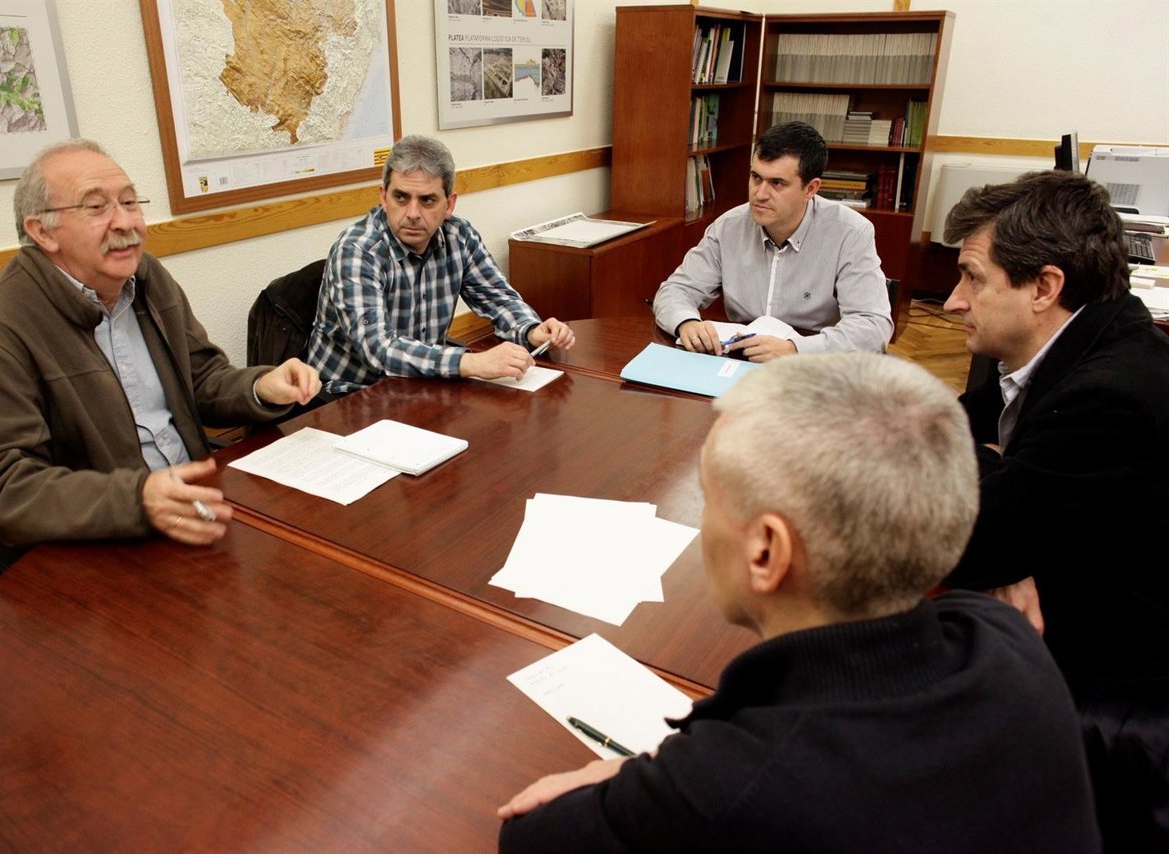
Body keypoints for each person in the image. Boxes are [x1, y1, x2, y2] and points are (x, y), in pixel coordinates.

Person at [497, 353, 1099, 853]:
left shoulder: (731, 785)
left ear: (766, 552)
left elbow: (528, 833)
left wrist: (634, 778)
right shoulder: (1004, 636)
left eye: (708, 498)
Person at [0, 139, 321, 550]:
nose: (125, 223)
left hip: (197, 508)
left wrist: (259, 386)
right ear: (42, 231)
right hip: (99, 542)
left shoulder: (146, 277)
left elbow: (200, 378)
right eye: (96, 207)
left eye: (129, 202)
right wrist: (136, 500)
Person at [940, 170, 1169, 850]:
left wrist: (1004, 531)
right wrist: (1009, 519)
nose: (952, 302)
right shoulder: (1066, 339)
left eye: (973, 278)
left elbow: (971, 538)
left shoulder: (1112, 393)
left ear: (1043, 287)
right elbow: (942, 427)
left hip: (1122, 693)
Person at [304, 135, 575, 397]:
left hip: (420, 386)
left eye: (427, 200)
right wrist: (472, 362)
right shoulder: (357, 251)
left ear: (449, 204)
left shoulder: (459, 235)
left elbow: (499, 298)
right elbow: (378, 349)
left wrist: (530, 329)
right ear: (383, 197)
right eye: (401, 197)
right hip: (349, 396)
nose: (412, 213)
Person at [652, 121, 893, 361]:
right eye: (756, 177)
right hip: (740, 360)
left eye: (777, 183)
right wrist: (686, 321)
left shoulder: (850, 232)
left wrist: (794, 349)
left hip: (814, 365)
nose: (760, 194)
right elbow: (676, 290)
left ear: (811, 189)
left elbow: (873, 326)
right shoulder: (728, 227)